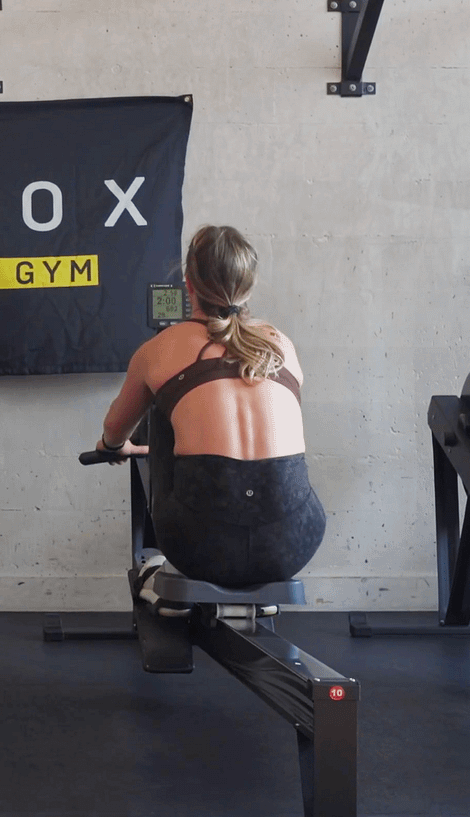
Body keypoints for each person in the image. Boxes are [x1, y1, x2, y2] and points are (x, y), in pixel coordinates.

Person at [95, 224, 325, 614]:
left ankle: (165, 574)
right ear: (248, 287)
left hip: (198, 547)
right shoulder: (280, 344)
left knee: (162, 416)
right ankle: (258, 587)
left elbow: (115, 429)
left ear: (189, 284)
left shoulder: (160, 349)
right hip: (292, 544)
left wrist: (113, 447)